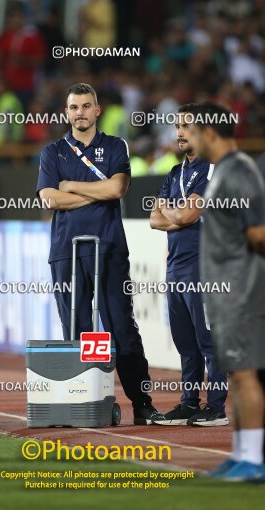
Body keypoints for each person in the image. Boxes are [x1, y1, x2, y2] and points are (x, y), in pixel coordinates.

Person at [37, 82, 165, 425]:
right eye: (73, 107)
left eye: (86, 106)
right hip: (66, 252)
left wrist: (73, 187)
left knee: (121, 328)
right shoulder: (53, 152)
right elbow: (49, 199)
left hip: (108, 248)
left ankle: (142, 404)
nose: (80, 112)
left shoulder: (114, 146)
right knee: (77, 330)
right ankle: (82, 405)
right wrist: (98, 192)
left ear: (97, 111)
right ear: (67, 112)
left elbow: (118, 187)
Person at [189, 102, 265, 481]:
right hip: (225, 294)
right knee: (236, 374)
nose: (190, 136)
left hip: (241, 292)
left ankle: (253, 460)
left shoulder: (239, 172)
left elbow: (259, 232)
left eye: (195, 129)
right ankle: (240, 455)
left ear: (211, 133)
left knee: (247, 374)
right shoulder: (223, 173)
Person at [150, 104, 228, 426]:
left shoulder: (210, 169)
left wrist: (174, 213)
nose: (180, 132)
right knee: (185, 340)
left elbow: (186, 215)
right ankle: (189, 403)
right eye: (178, 126)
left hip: (203, 265)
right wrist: (175, 215)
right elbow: (154, 220)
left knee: (208, 338)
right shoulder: (174, 173)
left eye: (187, 126)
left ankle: (218, 407)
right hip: (175, 264)